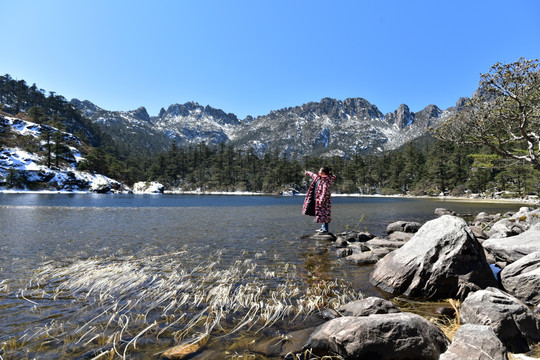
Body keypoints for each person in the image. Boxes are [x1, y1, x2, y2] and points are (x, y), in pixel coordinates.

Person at [302, 166, 336, 234]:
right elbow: (313, 175)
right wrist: (307, 172)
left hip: (324, 201)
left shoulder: (326, 181)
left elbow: (325, 191)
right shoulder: (319, 177)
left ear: (323, 173)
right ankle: (322, 228)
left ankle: (325, 229)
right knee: (321, 214)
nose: (319, 171)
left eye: (320, 171)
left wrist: (321, 200)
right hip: (317, 199)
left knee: (325, 214)